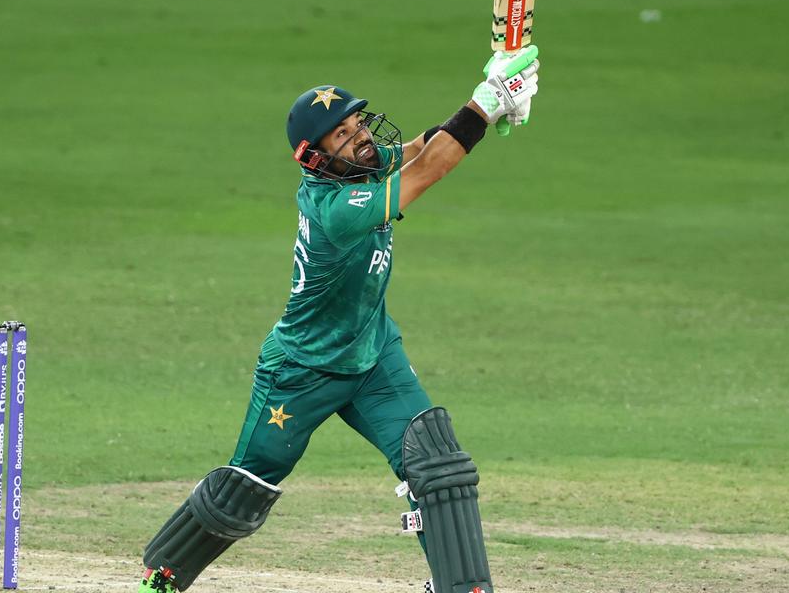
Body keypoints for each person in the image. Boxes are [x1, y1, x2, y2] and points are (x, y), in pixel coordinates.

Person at [137, 51, 541, 593]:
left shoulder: (364, 166)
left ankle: (462, 587)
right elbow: (429, 169)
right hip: (302, 370)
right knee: (248, 486)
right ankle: (162, 576)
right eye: (341, 136)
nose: (360, 139)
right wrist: (484, 106)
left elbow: (420, 147)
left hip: (373, 353)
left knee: (437, 465)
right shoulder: (337, 209)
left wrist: (489, 101)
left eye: (356, 126)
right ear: (316, 158)